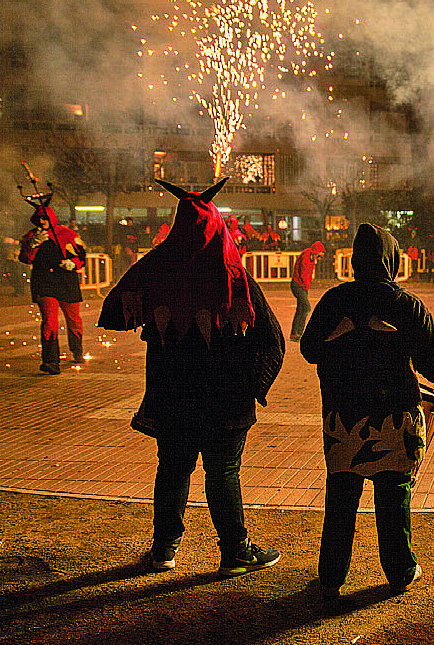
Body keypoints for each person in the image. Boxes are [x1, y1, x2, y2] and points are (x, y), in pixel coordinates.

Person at [98, 178, 285, 577]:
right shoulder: (233, 273)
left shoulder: (156, 268)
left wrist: (149, 277)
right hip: (226, 399)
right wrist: (255, 385)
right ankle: (235, 551)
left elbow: (112, 313)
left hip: (173, 395)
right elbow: (271, 336)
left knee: (172, 468)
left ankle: (164, 550)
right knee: (223, 471)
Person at [300, 223, 434, 600]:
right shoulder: (405, 304)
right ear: (391, 261)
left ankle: (331, 575)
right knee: (394, 495)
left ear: (356, 261)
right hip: (394, 418)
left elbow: (309, 350)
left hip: (343, 419)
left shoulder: (334, 300)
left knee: (341, 495)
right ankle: (401, 571)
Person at [18, 198, 87, 375]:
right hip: (44, 282)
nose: (42, 223)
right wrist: (33, 245)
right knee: (49, 321)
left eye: (45, 219)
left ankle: (77, 350)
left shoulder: (68, 234)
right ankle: (50, 361)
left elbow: (81, 256)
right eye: (39, 220)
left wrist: (73, 263)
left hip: (66, 282)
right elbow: (25, 258)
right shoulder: (31, 237)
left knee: (74, 321)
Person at [289, 239, 326, 341]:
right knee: (306, 308)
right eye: (319, 255)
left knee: (301, 309)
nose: (319, 258)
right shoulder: (307, 255)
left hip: (302, 285)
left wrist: (307, 284)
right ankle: (299, 332)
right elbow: (303, 270)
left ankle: (295, 333)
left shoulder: (311, 257)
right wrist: (306, 284)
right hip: (298, 285)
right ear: (316, 252)